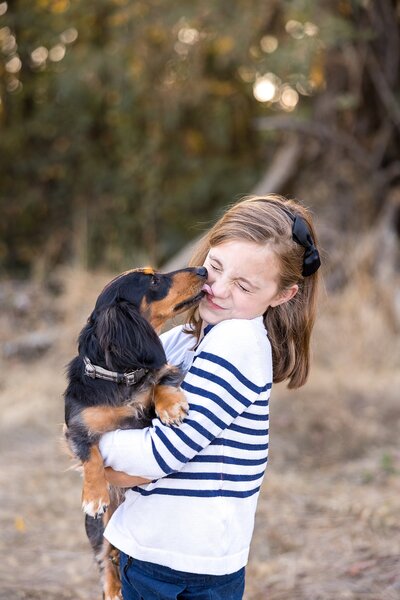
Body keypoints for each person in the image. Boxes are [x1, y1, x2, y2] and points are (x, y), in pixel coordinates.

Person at [99, 194, 321, 600]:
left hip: (175, 566)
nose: (217, 288)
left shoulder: (236, 340)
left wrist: (97, 454)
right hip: (165, 553)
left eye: (244, 285)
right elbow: (103, 397)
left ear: (282, 295)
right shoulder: (184, 339)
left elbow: (156, 456)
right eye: (215, 267)